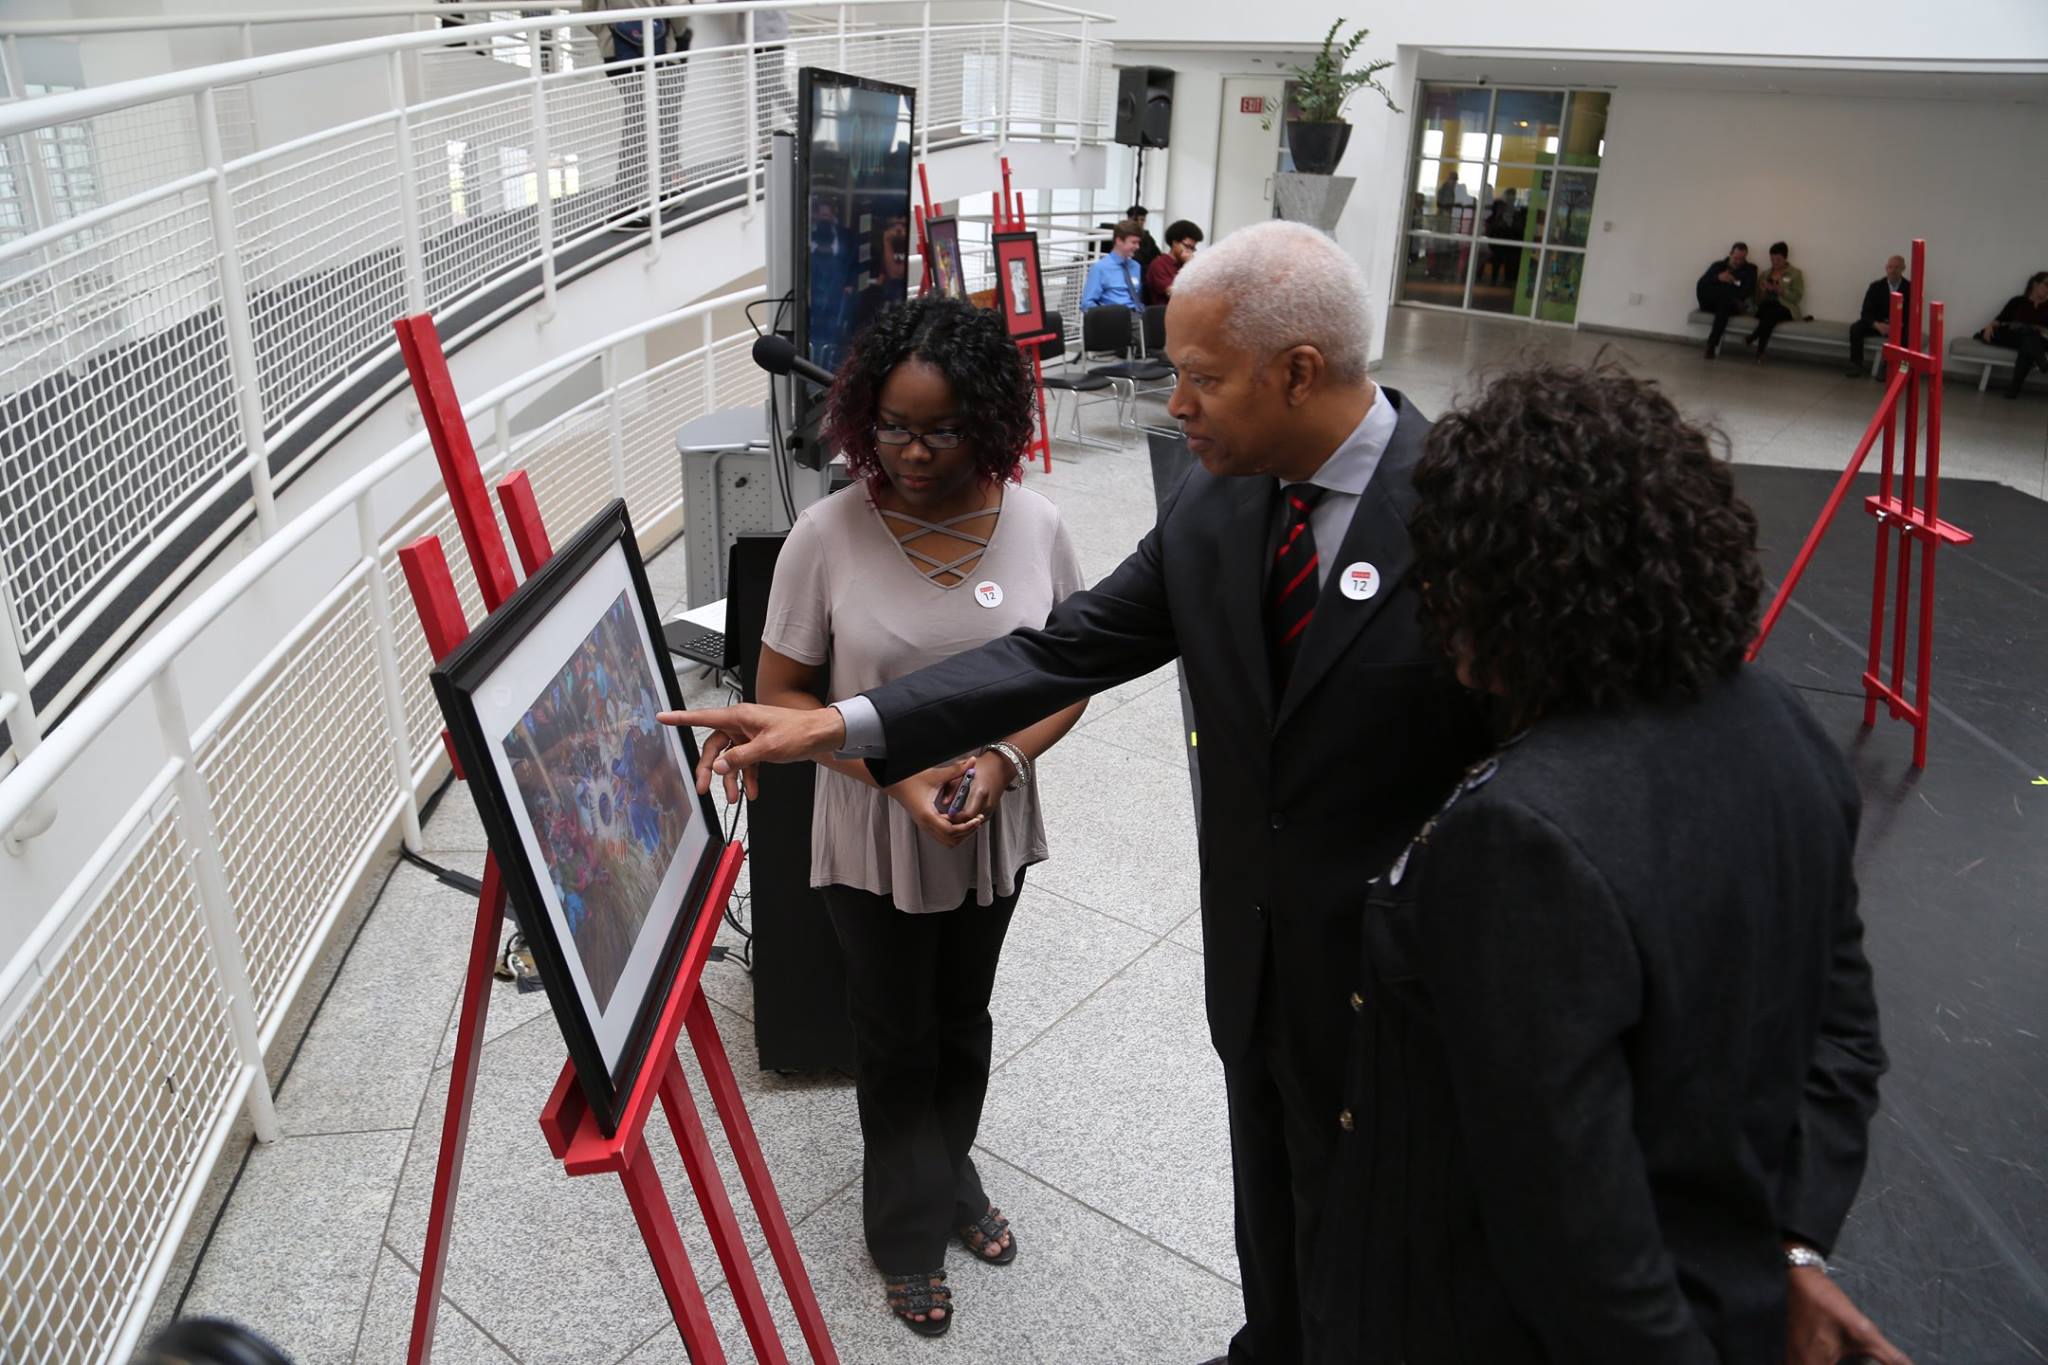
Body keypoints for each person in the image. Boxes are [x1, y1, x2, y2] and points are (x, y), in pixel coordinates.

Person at [662, 220, 1495, 1364]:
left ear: (1296, 372)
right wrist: (845, 727)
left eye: (1197, 377)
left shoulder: (1474, 515)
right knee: (1266, 1187)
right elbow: (1062, 651)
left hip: (1392, 979)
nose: (1173, 406)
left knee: (1375, 1230)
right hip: (1251, 962)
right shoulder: (1217, 506)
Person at [1307, 359, 1906, 1365]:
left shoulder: (1524, 834)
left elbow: (1570, 1229)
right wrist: (1793, 1247)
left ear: (1505, 587)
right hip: (1731, 1293)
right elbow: (1840, 1036)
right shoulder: (1785, 731)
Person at [753, 294, 1088, 1336]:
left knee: (962, 1022)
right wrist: (894, 775)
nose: (911, 450)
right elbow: (784, 700)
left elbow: (1069, 679)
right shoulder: (828, 535)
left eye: (939, 428)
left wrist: (999, 759)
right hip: (871, 831)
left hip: (992, 824)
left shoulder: (1033, 523)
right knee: (895, 1038)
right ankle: (904, 1233)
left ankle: (947, 1176)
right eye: (892, 424)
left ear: (984, 418)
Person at [1976, 270, 2048, 399]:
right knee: (2028, 336)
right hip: (2013, 336)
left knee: (2029, 341)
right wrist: (1990, 325)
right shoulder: (2017, 301)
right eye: (2046, 284)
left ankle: (2014, 388)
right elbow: (2000, 319)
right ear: (2035, 284)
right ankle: (2042, 363)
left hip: (2038, 339)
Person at [1848, 255, 1911, 377]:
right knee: (1856, 328)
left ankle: (1894, 369)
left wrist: (1895, 326)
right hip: (1878, 325)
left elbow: (1911, 313)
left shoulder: (1910, 288)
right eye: (1890, 267)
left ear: (1903, 269)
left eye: (1897, 267)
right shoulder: (1875, 286)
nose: (1893, 270)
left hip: (1899, 326)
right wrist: (1877, 325)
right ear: (1886, 268)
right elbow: (1865, 312)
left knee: (1907, 336)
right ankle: (1856, 365)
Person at [1695, 241, 1758, 359]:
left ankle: (1711, 344)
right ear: (1730, 254)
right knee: (1709, 289)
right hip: (1710, 302)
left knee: (1724, 303)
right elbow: (1702, 283)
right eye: (1736, 258)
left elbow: (1747, 290)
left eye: (1742, 259)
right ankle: (1711, 344)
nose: (1738, 262)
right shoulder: (1718, 266)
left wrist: (1732, 284)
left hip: (1731, 304)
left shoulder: (1750, 269)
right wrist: (1718, 278)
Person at [1746, 241, 1805, 361]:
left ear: (1785, 258)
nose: (1775, 263)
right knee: (1769, 312)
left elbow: (1797, 297)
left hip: (1785, 309)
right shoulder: (1765, 274)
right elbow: (1757, 300)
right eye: (1772, 259)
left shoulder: (1795, 273)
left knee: (1770, 314)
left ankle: (1756, 342)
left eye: (1778, 260)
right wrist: (1762, 291)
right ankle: (1757, 345)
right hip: (1766, 307)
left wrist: (1780, 290)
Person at [1080, 220, 1145, 313]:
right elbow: (1086, 304)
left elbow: (1137, 297)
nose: (1137, 247)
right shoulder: (1100, 268)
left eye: (1138, 243)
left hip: (1136, 316)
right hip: (1113, 318)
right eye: (1134, 242)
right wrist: (1107, 316)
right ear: (1119, 241)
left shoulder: (1136, 266)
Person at [1145, 219, 1204, 305]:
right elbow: (1177, 296)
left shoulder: (1184, 263)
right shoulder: (1159, 264)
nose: (1190, 252)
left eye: (1192, 248)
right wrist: (1189, 266)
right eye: (1187, 246)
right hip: (1165, 314)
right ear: (1175, 243)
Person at [1127, 203, 1163, 268]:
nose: (1141, 222)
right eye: (1139, 219)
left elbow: (1158, 256)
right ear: (1129, 219)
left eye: (1143, 220)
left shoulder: (1147, 238)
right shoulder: (1122, 236)